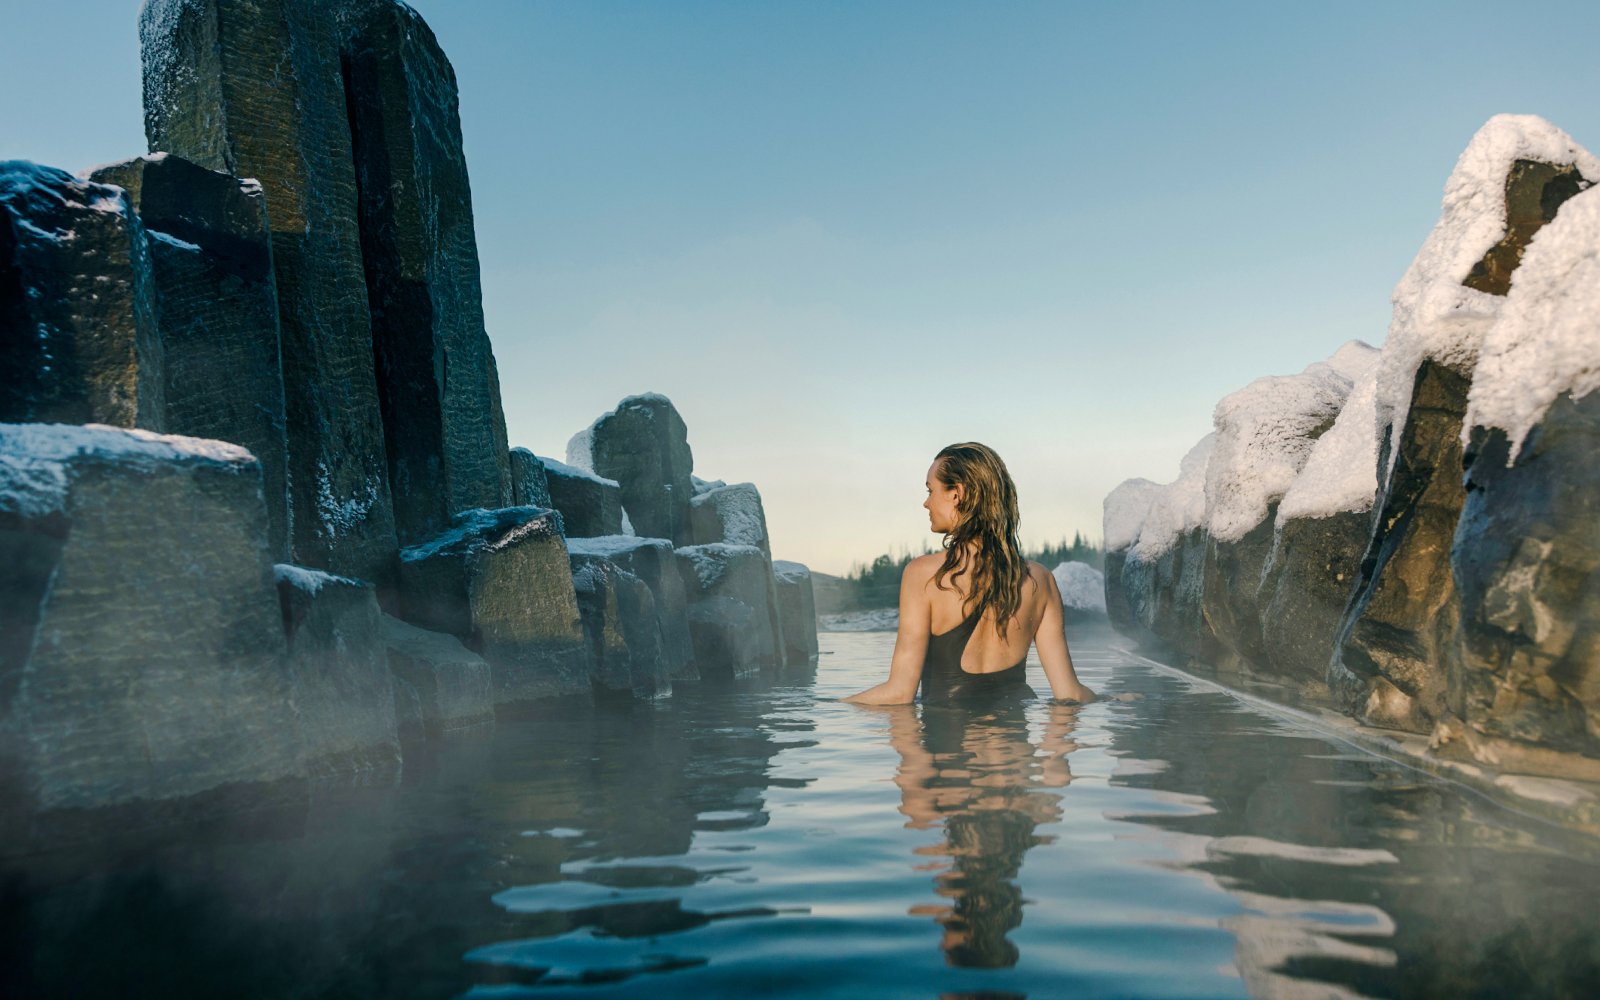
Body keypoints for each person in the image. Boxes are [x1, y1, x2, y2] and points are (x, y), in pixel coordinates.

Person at [844, 442, 1097, 706]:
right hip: (1015, 743)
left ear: (957, 493)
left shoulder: (925, 575)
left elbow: (899, 693)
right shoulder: (1040, 579)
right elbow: (1070, 694)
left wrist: (835, 707)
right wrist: (1115, 699)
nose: (926, 503)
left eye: (931, 490)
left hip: (950, 743)